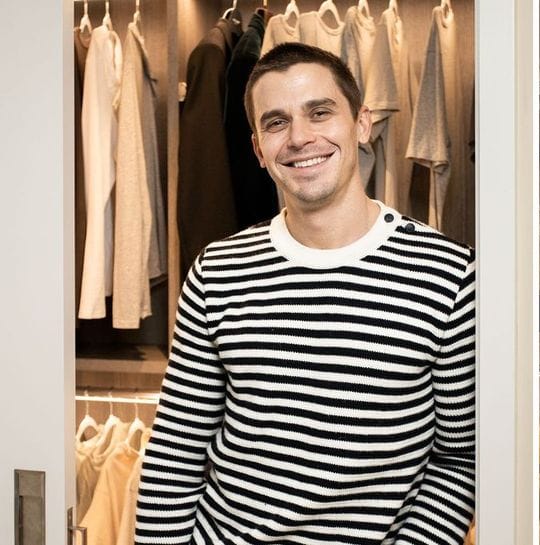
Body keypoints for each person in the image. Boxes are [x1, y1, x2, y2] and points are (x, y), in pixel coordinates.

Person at [134, 43, 476, 545]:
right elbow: (176, 451)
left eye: (320, 112)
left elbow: (459, 458)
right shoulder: (216, 271)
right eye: (275, 123)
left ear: (362, 123)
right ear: (257, 149)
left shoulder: (448, 274)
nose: (299, 137)